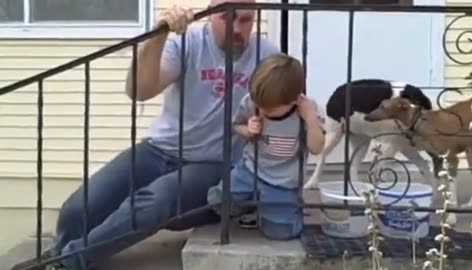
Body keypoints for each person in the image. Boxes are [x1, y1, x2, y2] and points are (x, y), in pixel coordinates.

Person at [14, 1, 280, 270]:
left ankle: (66, 263)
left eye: (245, 20)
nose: (237, 28)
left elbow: (285, 103)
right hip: (158, 150)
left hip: (214, 165)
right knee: (76, 211)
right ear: (210, 17)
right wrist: (158, 36)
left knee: (155, 201)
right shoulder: (186, 43)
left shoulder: (265, 56)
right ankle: (59, 257)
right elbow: (139, 90)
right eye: (227, 18)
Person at [207, 53, 326, 240]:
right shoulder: (253, 101)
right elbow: (237, 125)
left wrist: (310, 118)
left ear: (293, 100)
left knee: (280, 232)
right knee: (217, 201)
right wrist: (248, 130)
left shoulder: (305, 111)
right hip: (250, 170)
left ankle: (289, 211)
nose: (262, 110)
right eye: (259, 104)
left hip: (283, 182)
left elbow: (316, 148)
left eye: (270, 108)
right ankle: (255, 208)